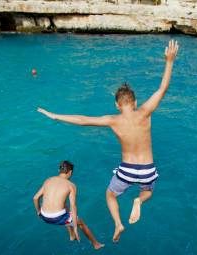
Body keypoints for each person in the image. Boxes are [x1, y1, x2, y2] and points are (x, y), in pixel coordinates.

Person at [37, 39, 180, 243]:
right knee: (147, 191)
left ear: (117, 104)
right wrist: (169, 61)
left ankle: (118, 223)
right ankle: (139, 201)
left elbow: (83, 120)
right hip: (147, 168)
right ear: (136, 102)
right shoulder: (145, 112)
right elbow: (162, 88)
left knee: (110, 195)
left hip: (126, 169)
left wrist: (55, 116)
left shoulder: (113, 120)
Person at [33, 160, 104, 250]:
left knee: (65, 208)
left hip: (44, 215)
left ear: (60, 171)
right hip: (56, 218)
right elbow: (73, 207)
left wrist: (38, 211)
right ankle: (96, 244)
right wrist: (75, 227)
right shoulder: (71, 185)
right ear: (70, 172)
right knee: (81, 222)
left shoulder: (48, 180)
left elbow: (35, 198)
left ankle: (71, 236)